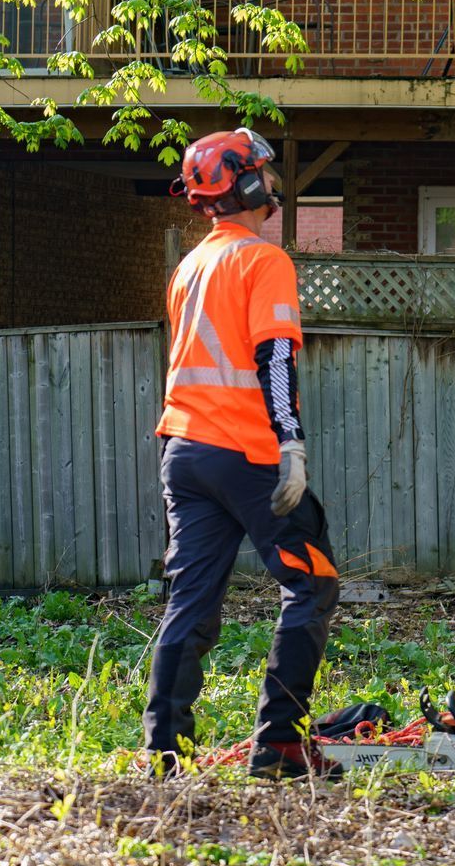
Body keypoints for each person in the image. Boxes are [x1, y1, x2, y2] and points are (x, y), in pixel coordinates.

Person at [142, 128, 341, 781]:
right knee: (311, 581)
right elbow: (274, 355)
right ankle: (279, 745)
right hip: (246, 452)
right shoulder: (263, 260)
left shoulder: (189, 266)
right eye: (263, 172)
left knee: (190, 601)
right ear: (252, 184)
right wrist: (291, 444)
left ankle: (165, 754)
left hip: (183, 451)